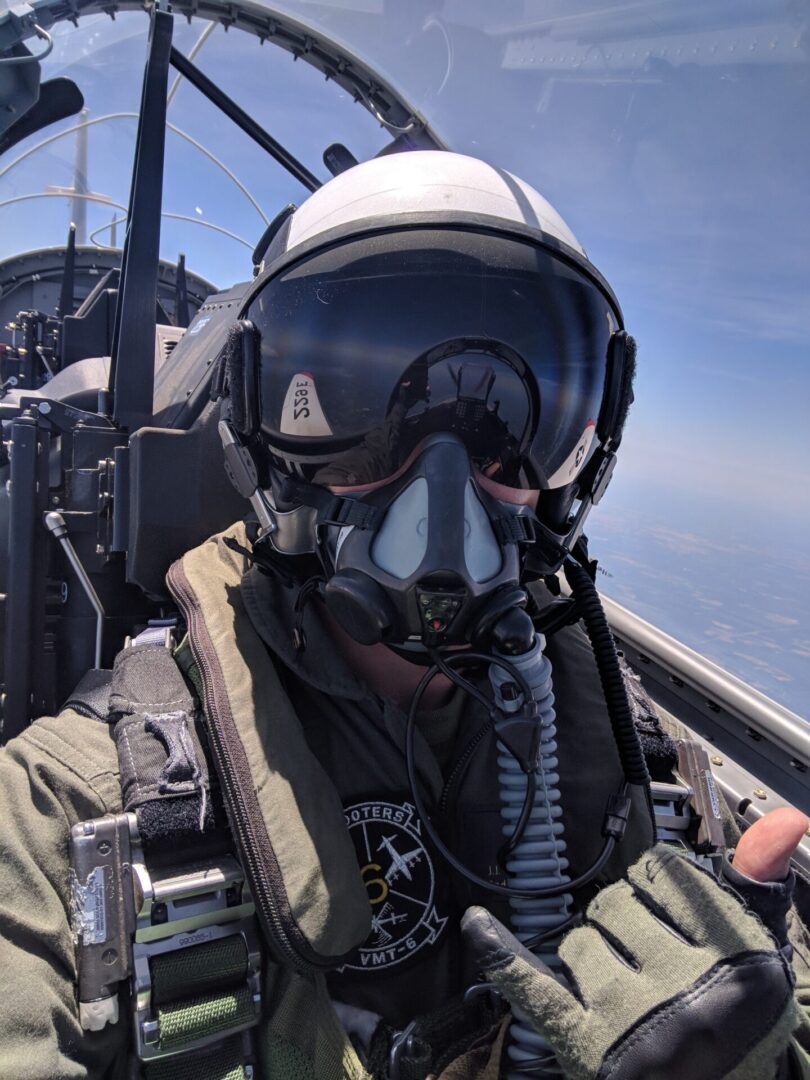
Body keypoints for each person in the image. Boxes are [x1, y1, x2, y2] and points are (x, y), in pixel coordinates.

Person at [0, 150, 807, 1080]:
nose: (445, 486)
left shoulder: (640, 767)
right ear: (263, 439)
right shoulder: (71, 806)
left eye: (510, 430)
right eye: (359, 410)